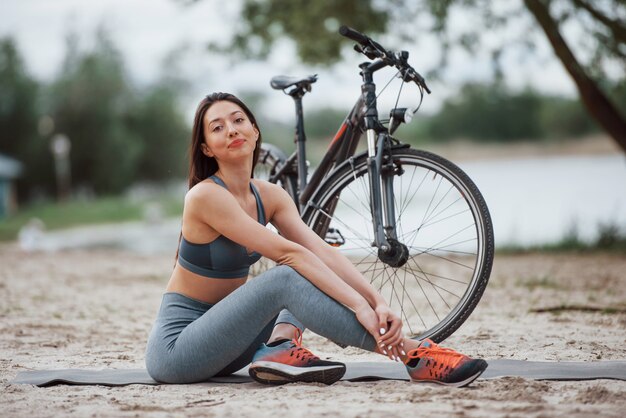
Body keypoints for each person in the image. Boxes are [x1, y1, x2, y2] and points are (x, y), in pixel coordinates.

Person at [145, 92, 488, 387]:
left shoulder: (270, 195)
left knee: (306, 267)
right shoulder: (205, 197)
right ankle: (412, 354)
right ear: (206, 148)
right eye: (217, 127)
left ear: (254, 129)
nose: (231, 130)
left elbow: (321, 251)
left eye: (238, 120)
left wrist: (377, 302)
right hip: (179, 352)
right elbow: (290, 255)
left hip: (233, 344)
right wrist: (358, 308)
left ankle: (279, 346)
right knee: (286, 276)